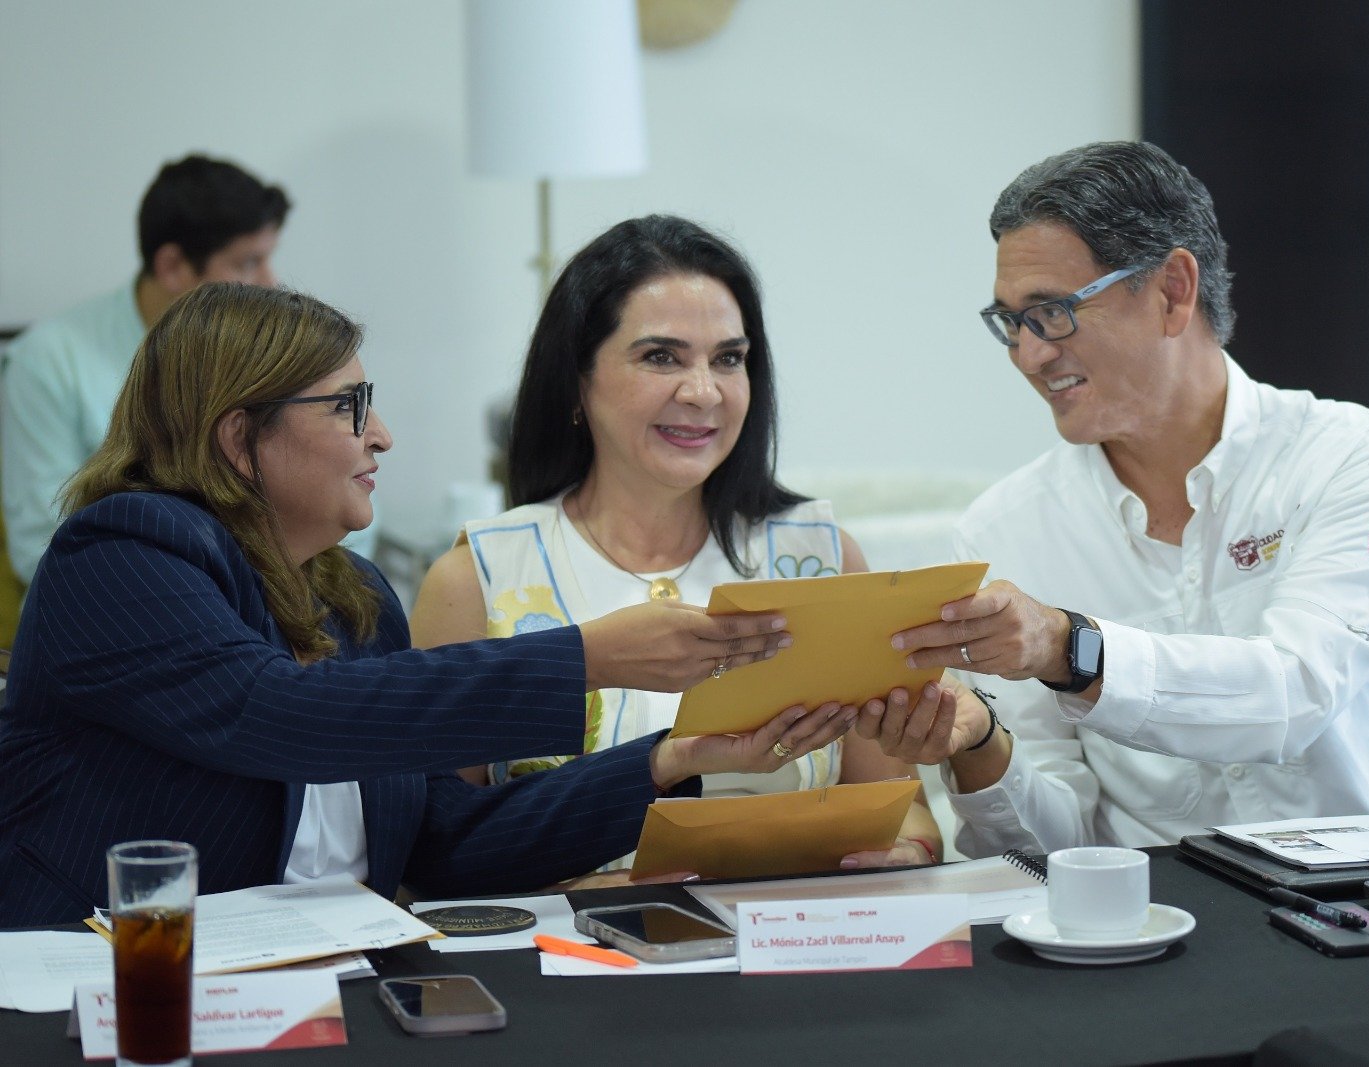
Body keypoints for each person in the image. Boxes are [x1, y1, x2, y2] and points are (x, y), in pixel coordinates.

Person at [0, 282, 851, 927]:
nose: (382, 435)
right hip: (100, 987)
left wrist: (671, 761)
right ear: (238, 436)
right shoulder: (122, 551)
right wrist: (587, 657)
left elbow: (448, 845)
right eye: (350, 407)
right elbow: (278, 712)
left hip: (325, 988)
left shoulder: (353, 595)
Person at [864, 141, 1369, 855]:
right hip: (1157, 908)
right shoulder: (1005, 529)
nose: (1030, 355)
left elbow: (1295, 695)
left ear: (1172, 291)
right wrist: (981, 747)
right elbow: (1054, 844)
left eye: (1052, 312)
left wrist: (1069, 647)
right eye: (1011, 322)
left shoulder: (1356, 456)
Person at [411, 215, 947, 868]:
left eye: (728, 359)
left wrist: (910, 846)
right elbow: (433, 852)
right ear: (576, 379)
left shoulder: (820, 557)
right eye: (660, 357)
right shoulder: (479, 578)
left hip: (795, 923)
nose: (702, 392)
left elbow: (901, 804)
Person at [0, 153, 370, 593]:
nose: (270, 282)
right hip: (131, 599)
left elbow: (347, 493)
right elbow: (41, 546)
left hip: (285, 592)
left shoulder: (274, 353)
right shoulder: (47, 360)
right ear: (173, 266)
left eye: (268, 259)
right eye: (247, 263)